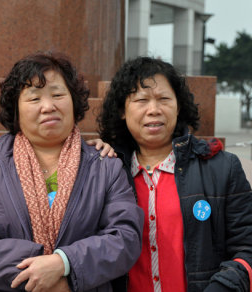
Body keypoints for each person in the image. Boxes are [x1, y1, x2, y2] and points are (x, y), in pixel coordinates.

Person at [0, 52, 144, 292]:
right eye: (34, 98)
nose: (48, 106)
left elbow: (125, 239)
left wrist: (64, 264)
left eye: (57, 95)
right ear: (16, 110)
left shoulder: (105, 166)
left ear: (74, 102)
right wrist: (38, 272)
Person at [98, 56, 252, 292]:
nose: (154, 110)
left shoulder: (222, 168)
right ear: (122, 110)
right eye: (141, 100)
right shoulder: (106, 171)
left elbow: (247, 246)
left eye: (164, 99)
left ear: (178, 106)